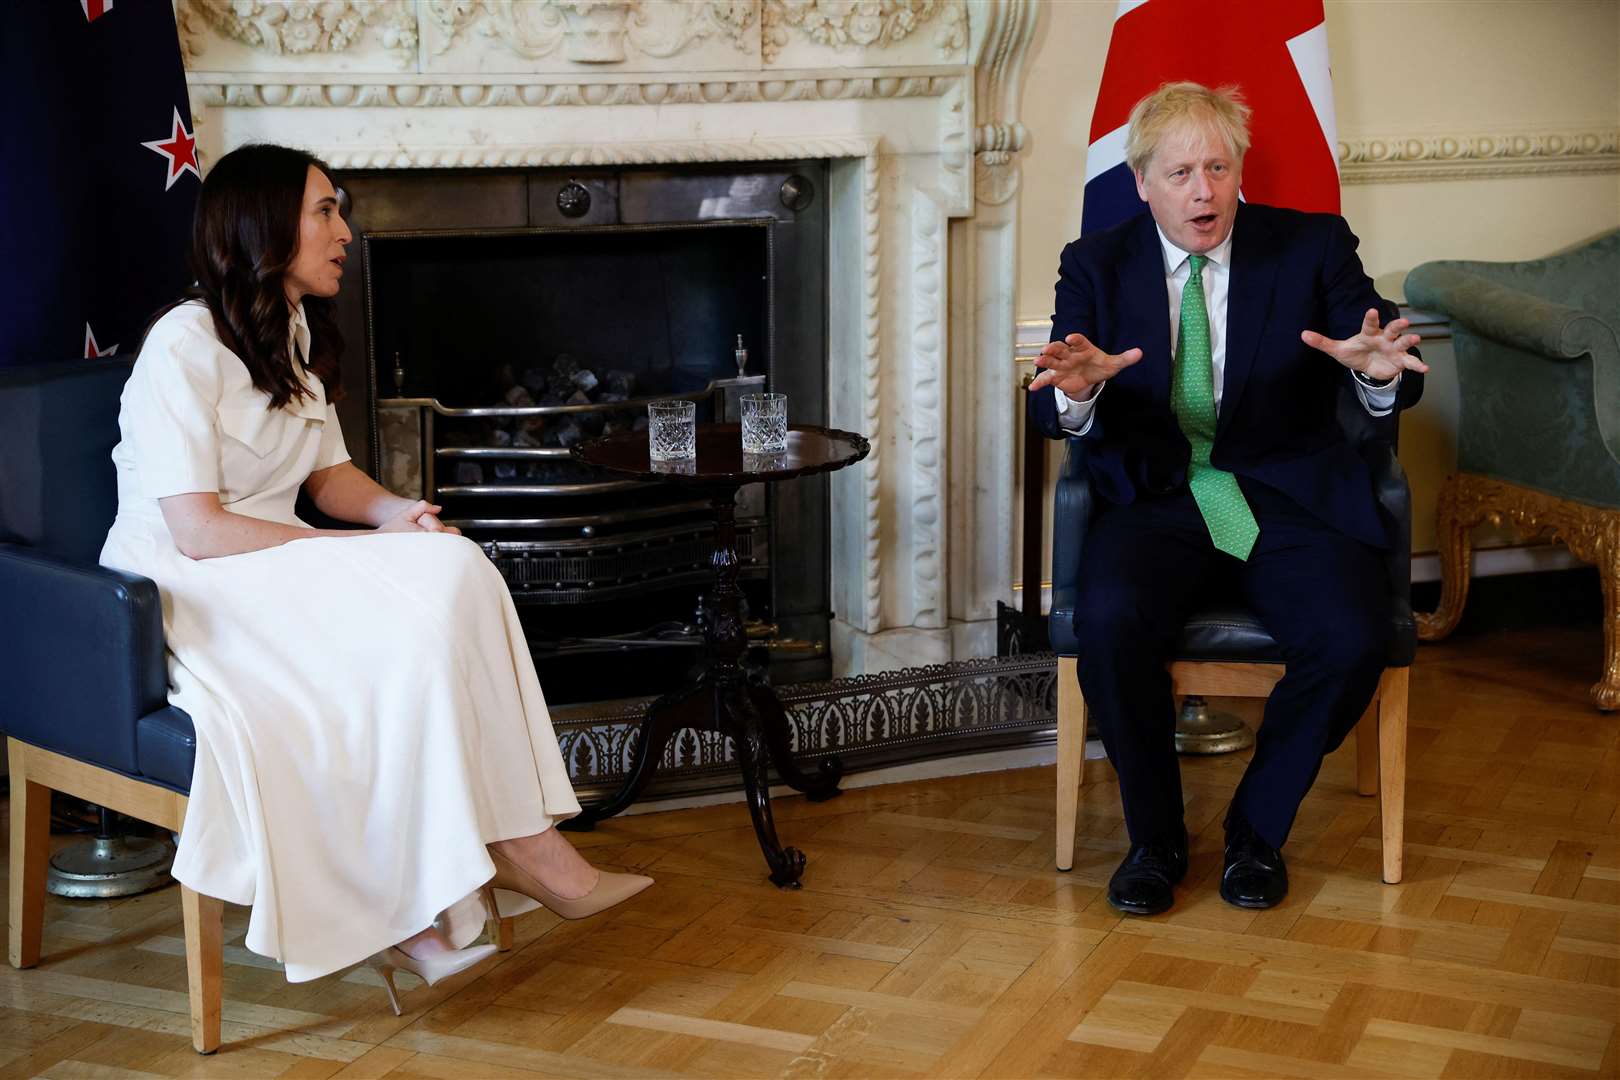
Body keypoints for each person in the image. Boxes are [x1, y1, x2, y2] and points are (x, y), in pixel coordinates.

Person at [99, 143, 652, 1011]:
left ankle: (513, 841)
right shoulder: (184, 343)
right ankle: (498, 857)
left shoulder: (292, 333)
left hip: (272, 561)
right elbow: (196, 528)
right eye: (325, 212)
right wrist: (340, 553)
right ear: (266, 225)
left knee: (452, 560)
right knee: (425, 589)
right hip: (184, 580)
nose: (345, 233)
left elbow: (326, 479)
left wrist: (394, 513)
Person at [1028, 82, 1425, 916]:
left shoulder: (1312, 247)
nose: (1203, 191)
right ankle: (1156, 841)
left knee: (1354, 633)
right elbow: (1054, 396)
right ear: (1142, 182)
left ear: (1241, 170)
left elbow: (1375, 343)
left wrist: (1375, 377)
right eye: (1180, 173)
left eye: (1218, 166)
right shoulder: (1094, 263)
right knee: (1109, 621)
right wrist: (1077, 396)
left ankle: (1255, 829)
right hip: (1158, 497)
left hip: (1283, 493)